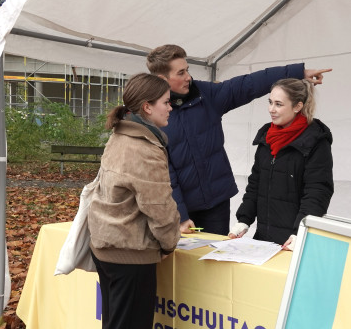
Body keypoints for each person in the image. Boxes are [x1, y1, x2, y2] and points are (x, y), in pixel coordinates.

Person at [146, 44, 331, 235]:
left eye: (188, 70)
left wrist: (298, 72)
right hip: (180, 208)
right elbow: (164, 173)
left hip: (216, 204)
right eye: (181, 73)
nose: (188, 77)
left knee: (213, 260)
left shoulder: (207, 95)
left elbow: (249, 84)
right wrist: (181, 215)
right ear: (162, 79)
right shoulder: (154, 113)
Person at [86, 73, 181, 329]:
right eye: (166, 102)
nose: (171, 107)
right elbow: (159, 207)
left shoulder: (120, 135)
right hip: (130, 254)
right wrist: (170, 243)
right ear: (147, 107)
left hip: (107, 244)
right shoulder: (144, 147)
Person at [229, 78, 334, 250]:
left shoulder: (315, 141)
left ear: (297, 106)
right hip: (263, 239)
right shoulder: (266, 138)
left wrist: (300, 232)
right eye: (270, 102)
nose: (271, 109)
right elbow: (255, 185)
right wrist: (244, 220)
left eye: (278, 104)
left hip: (294, 242)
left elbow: (317, 192)